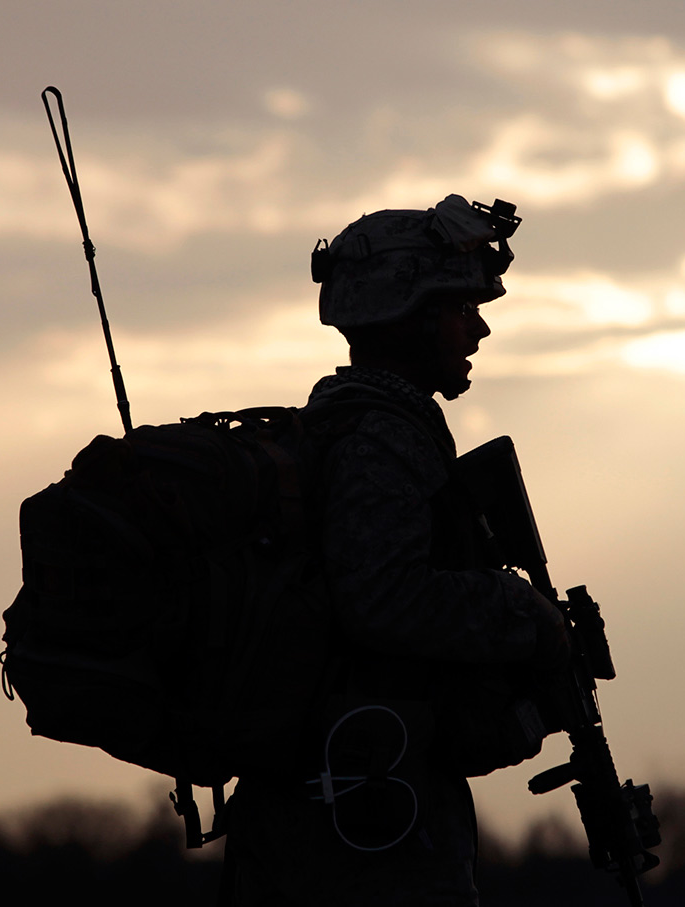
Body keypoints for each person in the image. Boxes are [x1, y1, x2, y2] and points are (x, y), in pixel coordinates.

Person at [220, 195, 569, 906]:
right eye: (461, 308)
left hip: (352, 802)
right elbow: (382, 596)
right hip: (359, 825)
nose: (479, 327)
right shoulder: (379, 437)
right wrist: (518, 609)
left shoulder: (364, 427)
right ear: (410, 317)